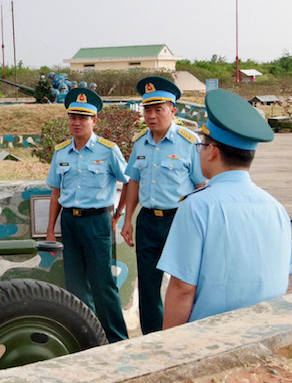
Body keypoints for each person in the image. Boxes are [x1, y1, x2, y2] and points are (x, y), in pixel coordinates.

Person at [159, 89, 292, 329]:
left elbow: (182, 289)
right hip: (263, 335)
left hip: (211, 342)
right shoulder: (276, 208)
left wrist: (169, 350)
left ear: (213, 152)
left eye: (202, 146)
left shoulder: (197, 206)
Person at [120, 76, 207, 335]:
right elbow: (134, 182)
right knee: (148, 285)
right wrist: (128, 220)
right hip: (147, 221)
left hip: (179, 220)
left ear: (173, 111)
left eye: (159, 109)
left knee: (184, 282)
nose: (152, 115)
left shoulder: (190, 142)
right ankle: (151, 338)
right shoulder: (140, 143)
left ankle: (186, 334)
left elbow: (201, 186)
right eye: (148, 109)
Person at [45, 87, 129, 343]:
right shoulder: (61, 152)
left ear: (95, 120)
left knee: (103, 283)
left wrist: (119, 213)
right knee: (76, 283)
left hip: (98, 222)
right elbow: (56, 193)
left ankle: (117, 339)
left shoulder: (108, 150)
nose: (77, 122)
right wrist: (51, 230)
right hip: (70, 222)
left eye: (83, 118)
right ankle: (88, 337)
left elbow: (129, 181)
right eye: (73, 117)